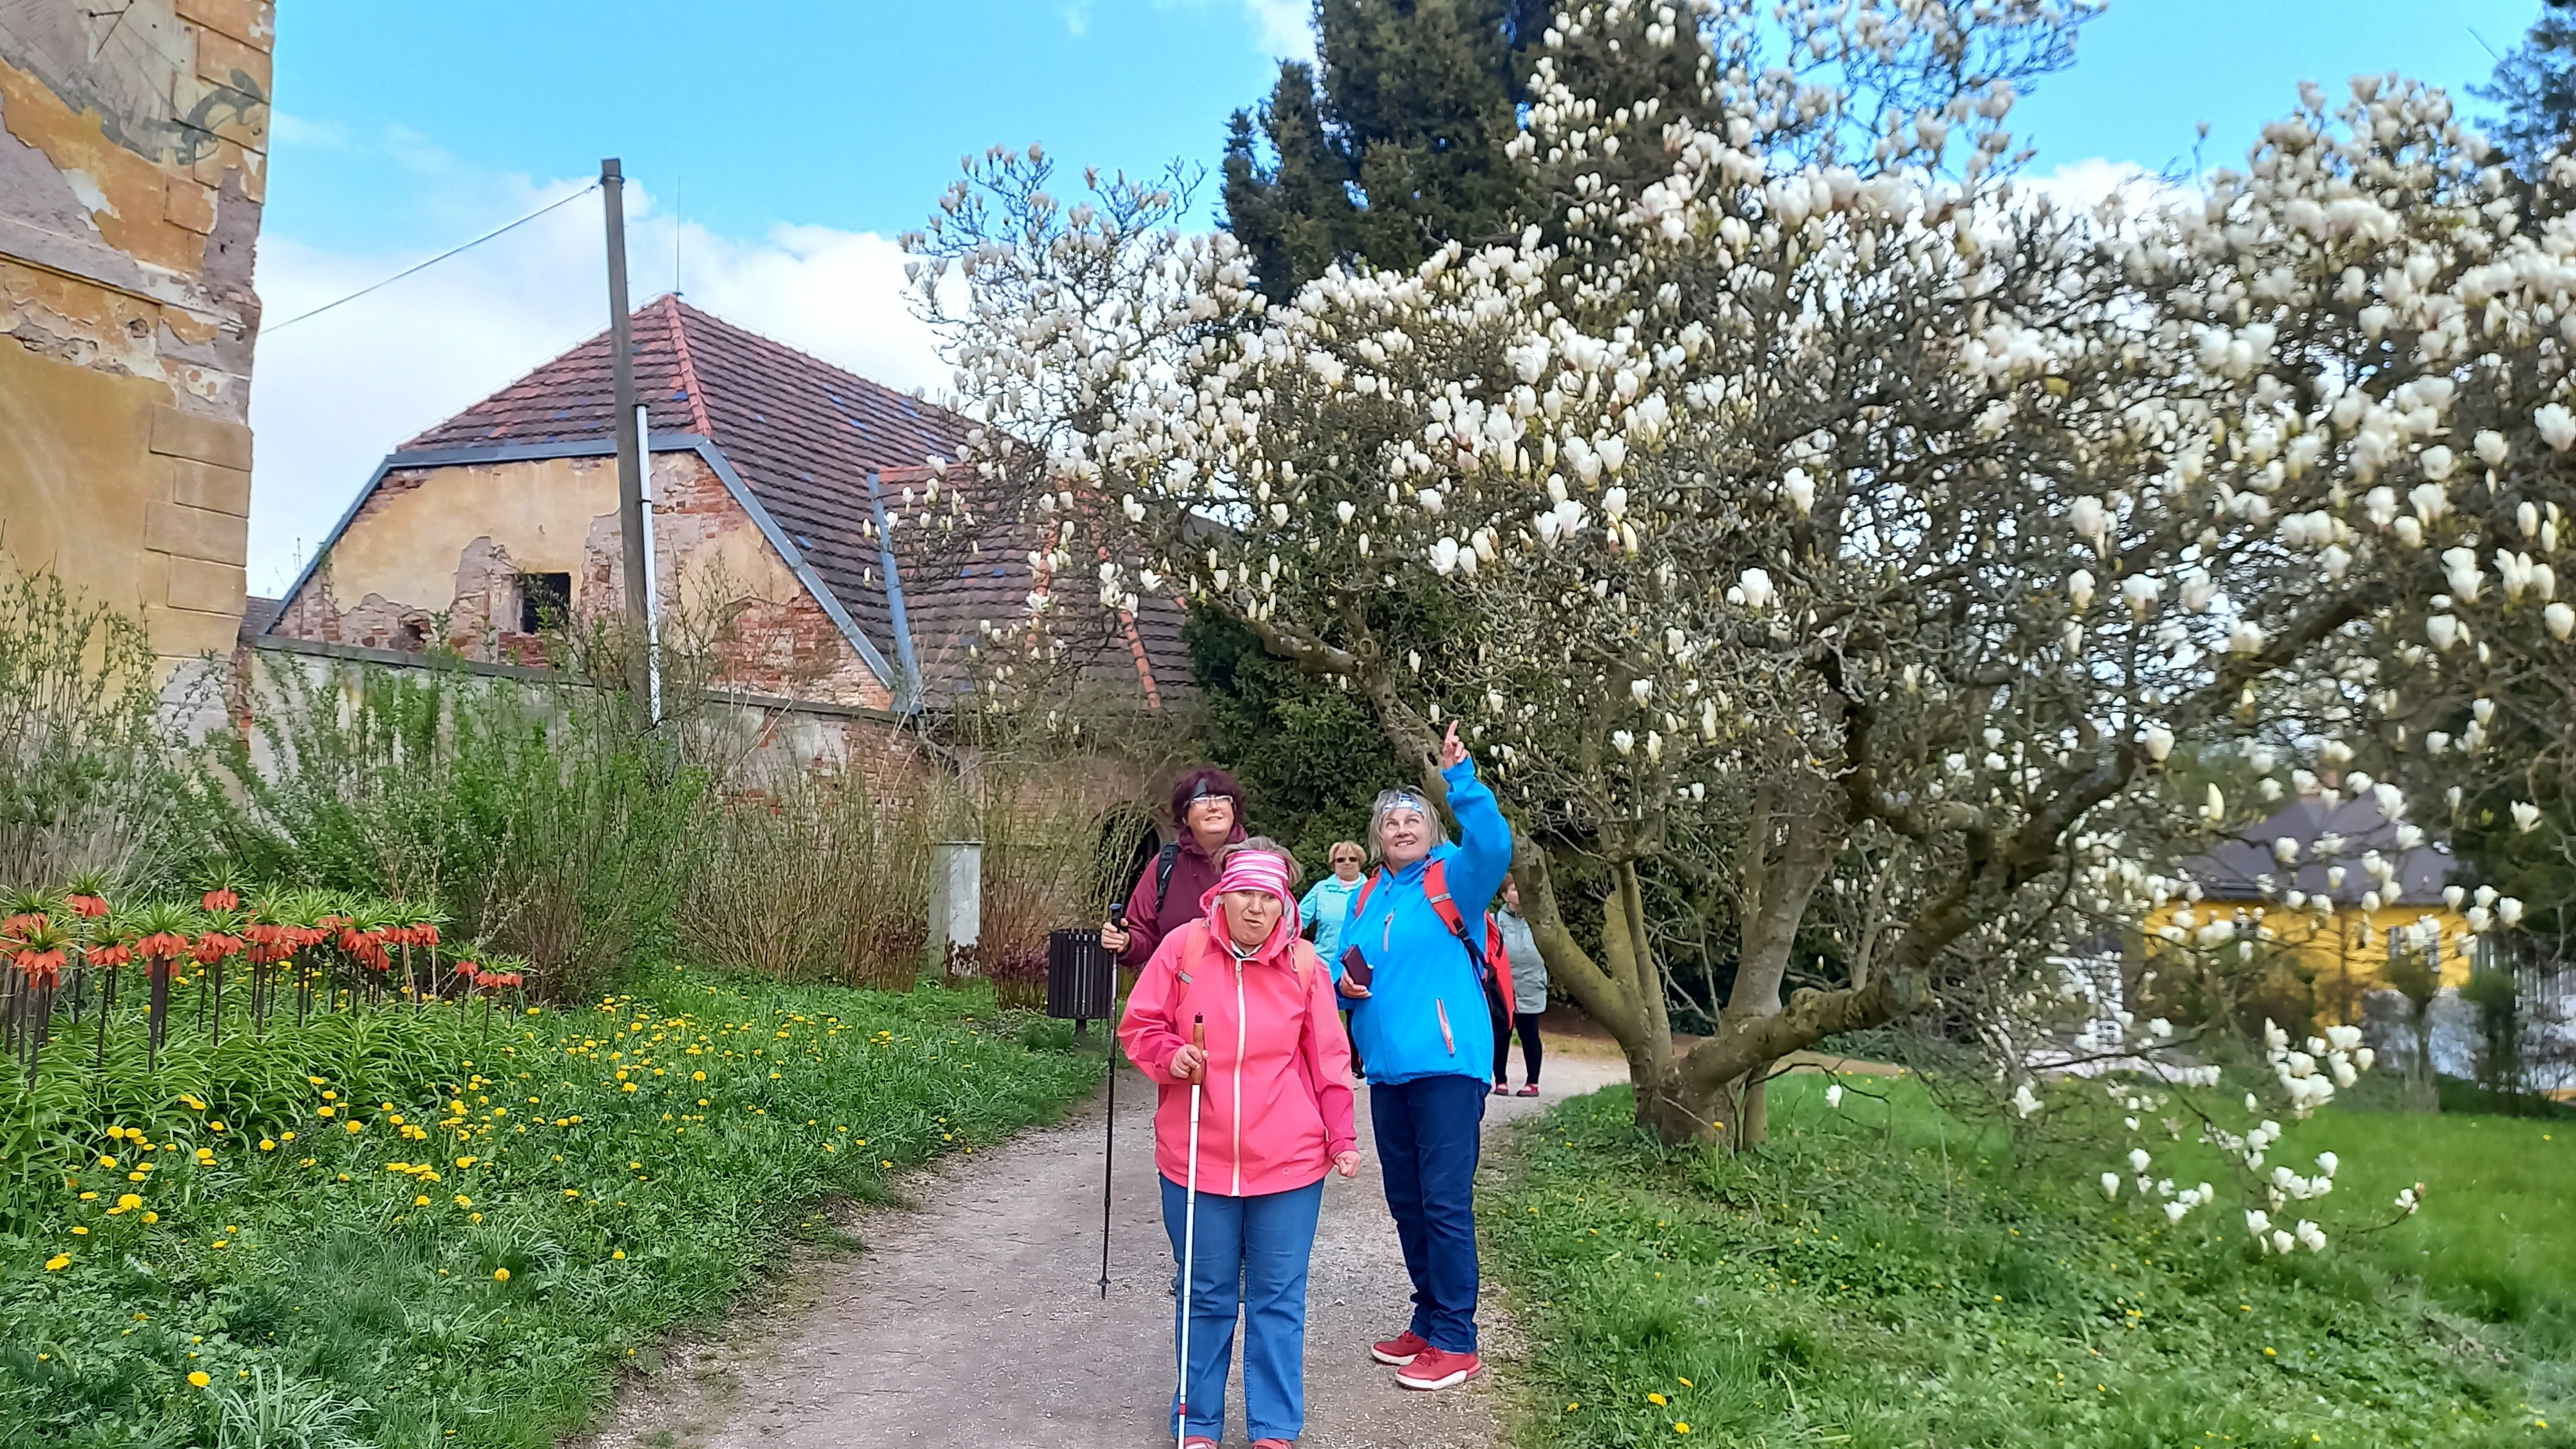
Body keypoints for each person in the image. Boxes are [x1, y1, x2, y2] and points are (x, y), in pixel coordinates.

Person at [1120, 838, 1359, 1449]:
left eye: (1269, 897)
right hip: (1196, 1158)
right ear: (1221, 897)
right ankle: (1197, 1421)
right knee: (1204, 1293)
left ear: (1286, 904)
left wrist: (1342, 1136)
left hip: (1289, 1162)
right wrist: (1172, 1056)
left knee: (1278, 1298)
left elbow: (1329, 1060)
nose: (1257, 908)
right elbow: (1140, 1026)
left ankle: (1274, 1427)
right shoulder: (1184, 948)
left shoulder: (1304, 965)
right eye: (1245, 894)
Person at [1335, 722, 1511, 1391]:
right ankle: (1429, 1318)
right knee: (1407, 1203)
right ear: (1377, 837)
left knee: (1443, 1203)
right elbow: (1343, 963)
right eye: (1391, 822)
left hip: (1447, 1069)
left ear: (1431, 830)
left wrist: (1460, 781)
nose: (1401, 828)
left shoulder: (1454, 879)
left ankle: (1457, 1340)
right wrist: (1342, 984)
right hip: (1387, 1073)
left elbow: (1494, 844)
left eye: (1413, 819)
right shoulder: (1367, 894)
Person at [1101, 768, 1248, 968]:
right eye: (1202, 800)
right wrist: (1126, 942)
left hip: (1241, 984)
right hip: (1179, 984)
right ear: (1185, 817)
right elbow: (1143, 934)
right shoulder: (1166, 865)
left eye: (1223, 799)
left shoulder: (1257, 863)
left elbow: (1281, 931)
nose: (1214, 807)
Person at [1300, 840, 1370, 1078]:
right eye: (1341, 859)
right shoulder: (1321, 890)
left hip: (1358, 965)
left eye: (1352, 859)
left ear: (1360, 862)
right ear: (1332, 864)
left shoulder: (1371, 889)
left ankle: (1356, 1065)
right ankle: (1321, 1066)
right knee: (1320, 1018)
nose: (1347, 863)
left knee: (1357, 1018)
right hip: (1323, 964)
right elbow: (1298, 920)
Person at [1491, 876, 1546, 1097]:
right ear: (1505, 896)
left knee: (1530, 1035)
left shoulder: (1539, 921)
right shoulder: (1495, 921)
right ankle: (1500, 1081)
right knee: (1501, 1035)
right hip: (1503, 987)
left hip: (1531, 985)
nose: (1520, 893)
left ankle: (1532, 1083)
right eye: (1514, 889)